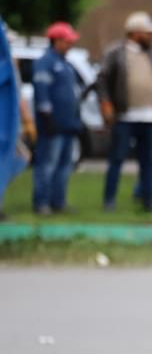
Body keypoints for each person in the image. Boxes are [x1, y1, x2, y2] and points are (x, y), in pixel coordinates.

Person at [97, 11, 152, 212]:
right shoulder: (115, 53)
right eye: (147, 32)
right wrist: (105, 103)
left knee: (148, 161)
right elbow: (102, 80)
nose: (151, 36)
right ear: (135, 33)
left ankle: (148, 200)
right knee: (117, 159)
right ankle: (109, 200)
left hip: (149, 117)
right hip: (124, 117)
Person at [30, 22, 84, 215]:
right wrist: (47, 116)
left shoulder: (67, 64)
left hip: (68, 125)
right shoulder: (45, 62)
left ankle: (58, 201)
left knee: (64, 166)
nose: (70, 45)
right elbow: (42, 93)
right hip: (52, 126)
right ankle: (41, 202)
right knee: (47, 164)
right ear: (57, 41)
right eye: (67, 41)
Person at [0, 14, 36, 221]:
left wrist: (27, 121)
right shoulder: (9, 67)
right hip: (6, 129)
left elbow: (17, 97)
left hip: (9, 128)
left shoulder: (11, 67)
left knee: (21, 158)